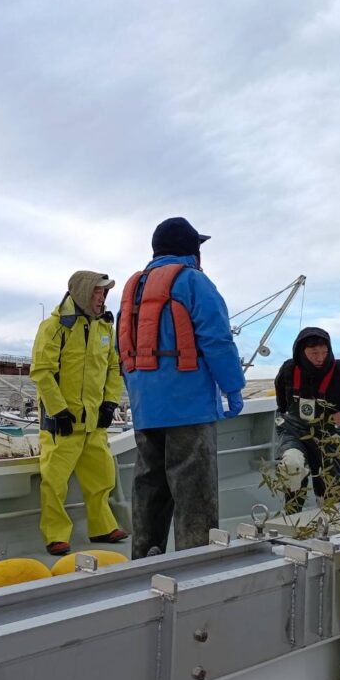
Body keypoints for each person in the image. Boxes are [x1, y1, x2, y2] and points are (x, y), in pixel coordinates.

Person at [118, 217, 245, 558]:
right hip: (189, 409)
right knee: (194, 494)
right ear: (193, 251)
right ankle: (195, 565)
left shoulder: (133, 289)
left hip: (146, 410)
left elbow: (123, 351)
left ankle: (143, 561)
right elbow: (217, 340)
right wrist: (233, 388)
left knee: (150, 488)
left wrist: (140, 396)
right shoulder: (194, 281)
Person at [31, 270, 129, 556]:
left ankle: (102, 527)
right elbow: (42, 371)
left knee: (102, 475)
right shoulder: (54, 327)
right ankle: (56, 534)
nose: (102, 297)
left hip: (93, 423)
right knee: (54, 481)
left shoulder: (104, 328)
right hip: (62, 424)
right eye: (98, 291)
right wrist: (58, 410)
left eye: (105, 292)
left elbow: (114, 367)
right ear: (83, 292)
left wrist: (110, 403)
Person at [274, 327, 340, 514]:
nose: (320, 358)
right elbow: (281, 398)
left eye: (324, 352)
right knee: (292, 466)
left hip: (329, 433)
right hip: (295, 430)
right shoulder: (288, 368)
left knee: (329, 484)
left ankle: (330, 517)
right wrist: (285, 413)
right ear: (301, 351)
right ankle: (293, 515)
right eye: (314, 353)